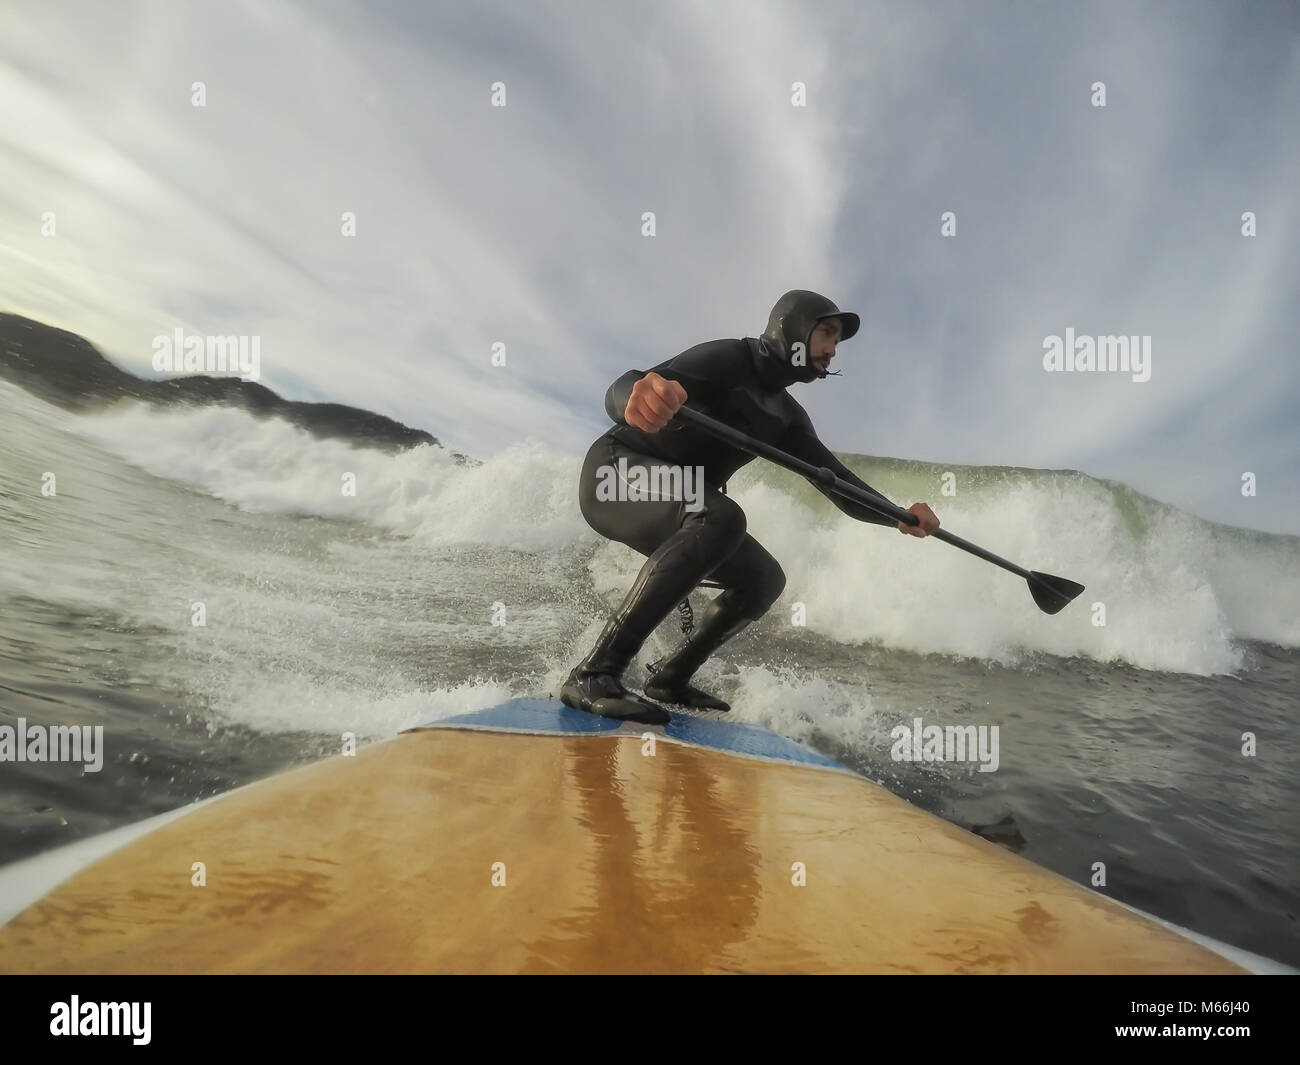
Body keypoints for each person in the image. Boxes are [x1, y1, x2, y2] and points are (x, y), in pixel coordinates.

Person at [560, 289, 940, 724]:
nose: (833, 350)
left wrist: (899, 516)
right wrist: (636, 394)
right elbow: (627, 386)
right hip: (616, 474)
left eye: (838, 341)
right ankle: (594, 673)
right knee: (722, 517)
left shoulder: (787, 418)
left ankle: (670, 678)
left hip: (677, 499)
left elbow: (839, 486)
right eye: (827, 333)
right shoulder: (728, 360)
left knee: (764, 578)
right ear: (793, 326)